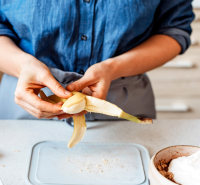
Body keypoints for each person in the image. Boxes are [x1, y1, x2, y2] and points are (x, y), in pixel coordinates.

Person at [0, 0, 194, 120]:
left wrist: (113, 68)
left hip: (123, 103)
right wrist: (22, 66)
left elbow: (174, 29)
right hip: (26, 100)